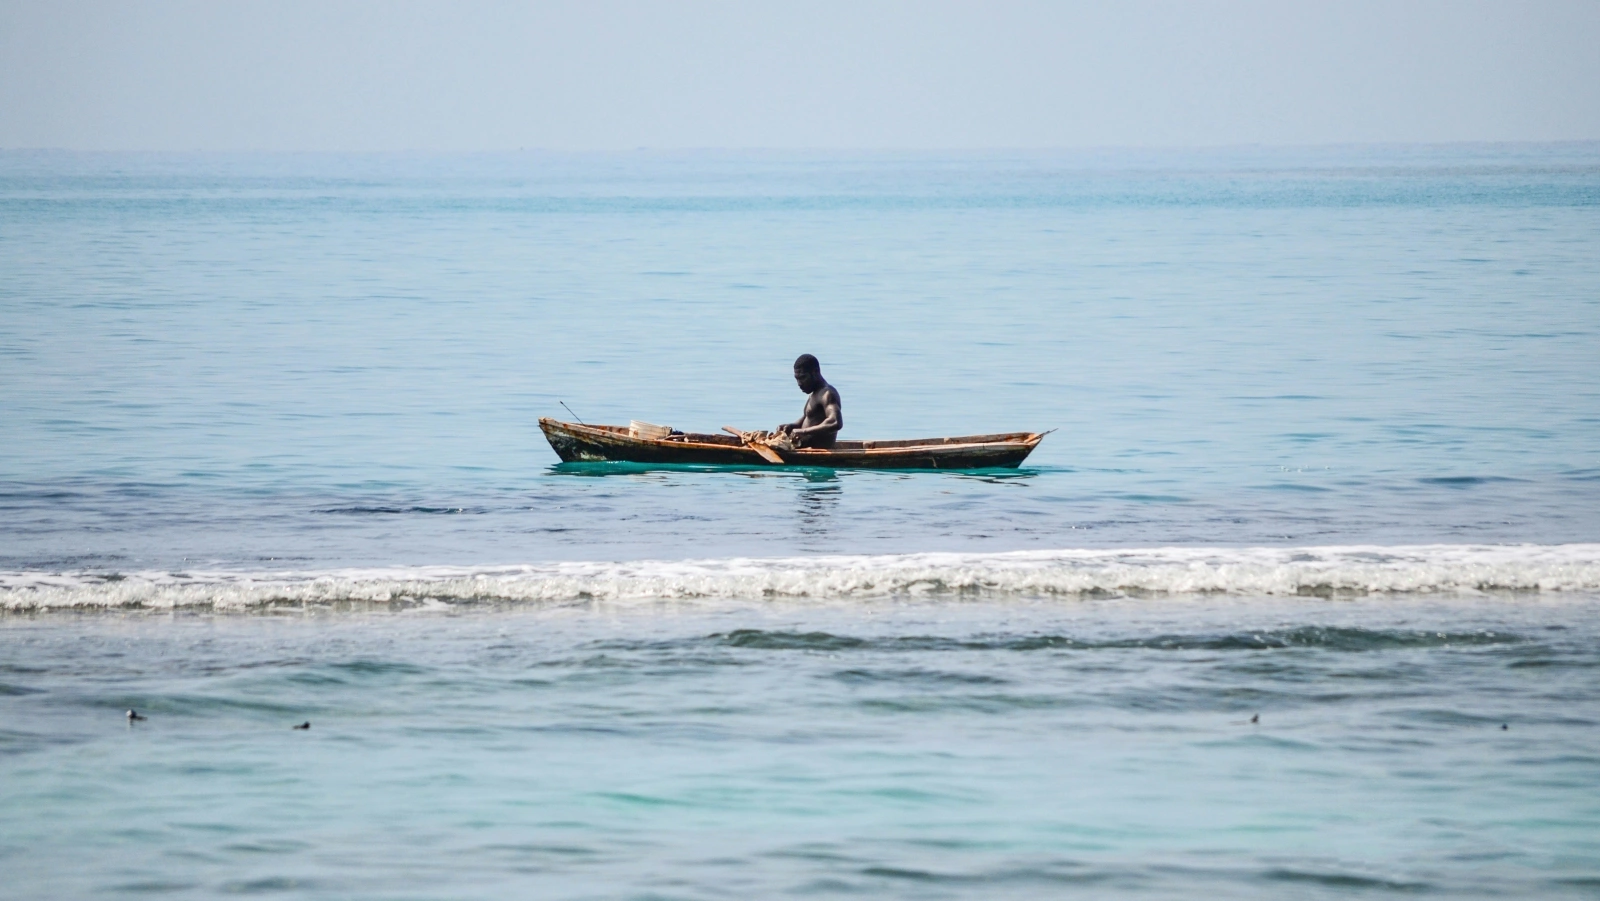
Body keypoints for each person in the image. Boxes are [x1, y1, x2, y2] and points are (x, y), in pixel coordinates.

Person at [775, 354, 842, 449]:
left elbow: (835, 422)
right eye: (797, 379)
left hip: (820, 451)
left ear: (816, 372)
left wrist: (803, 432)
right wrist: (792, 426)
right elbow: (808, 417)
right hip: (803, 446)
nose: (799, 384)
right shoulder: (814, 393)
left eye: (803, 378)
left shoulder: (827, 394)